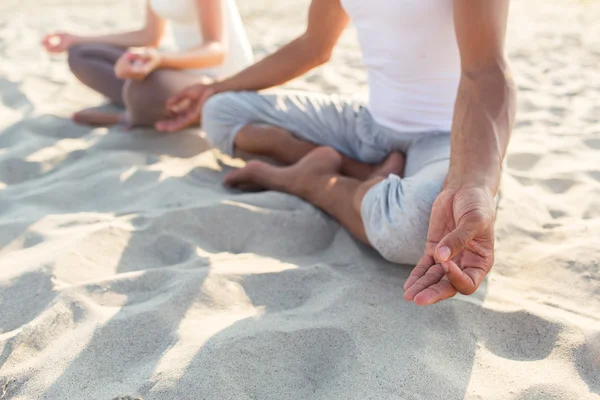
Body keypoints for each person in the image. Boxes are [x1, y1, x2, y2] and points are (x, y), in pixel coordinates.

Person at [156, 0, 517, 306]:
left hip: (448, 139)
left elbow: (486, 70)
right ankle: (357, 170)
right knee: (221, 111)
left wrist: (476, 184)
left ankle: (310, 181)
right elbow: (314, 46)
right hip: (369, 126)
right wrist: (215, 88)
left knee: (422, 225)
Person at [42, 0, 253, 127]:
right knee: (81, 55)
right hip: (182, 72)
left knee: (145, 87)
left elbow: (216, 50)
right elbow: (148, 36)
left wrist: (160, 59)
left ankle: (125, 117)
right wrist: (77, 39)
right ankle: (144, 108)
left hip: (222, 78)